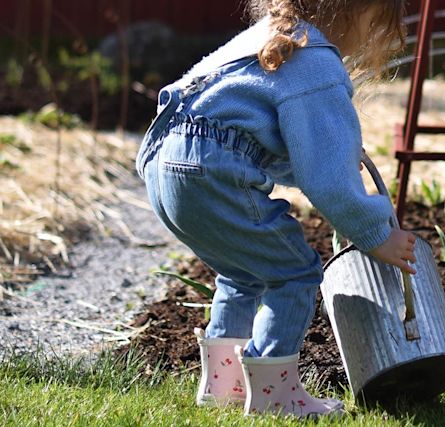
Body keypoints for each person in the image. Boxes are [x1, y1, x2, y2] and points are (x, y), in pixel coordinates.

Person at [135, 0, 413, 418]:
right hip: (211, 167)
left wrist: (330, 157)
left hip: (164, 162)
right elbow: (329, 181)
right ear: (350, 12)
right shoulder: (315, 60)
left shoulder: (269, 34)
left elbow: (249, 130)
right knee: (294, 272)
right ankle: (275, 398)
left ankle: (224, 385)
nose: (372, 37)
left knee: (242, 273)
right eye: (375, 23)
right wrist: (376, 234)